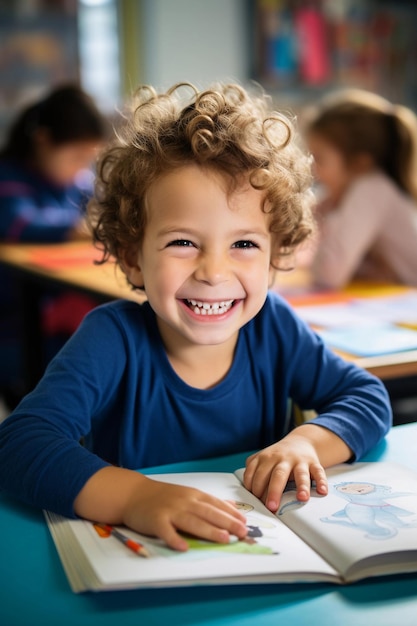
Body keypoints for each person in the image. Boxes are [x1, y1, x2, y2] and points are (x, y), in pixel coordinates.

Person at [0, 82, 391, 551]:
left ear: (273, 259)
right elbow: (20, 444)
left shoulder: (274, 327)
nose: (213, 272)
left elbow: (365, 396)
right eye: (183, 242)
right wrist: (134, 498)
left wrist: (307, 442)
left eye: (243, 244)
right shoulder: (112, 338)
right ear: (131, 256)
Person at [0, 84, 109, 406]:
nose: (81, 167)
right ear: (44, 141)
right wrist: (78, 228)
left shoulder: (77, 183)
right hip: (18, 318)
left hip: (66, 304)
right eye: (76, 156)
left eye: (88, 160)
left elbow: (105, 210)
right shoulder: (9, 176)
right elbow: (18, 225)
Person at [304, 88, 417, 288]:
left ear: (360, 164)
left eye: (319, 159)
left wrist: (333, 217)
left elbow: (327, 276)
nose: (312, 169)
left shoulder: (371, 190)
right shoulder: (365, 189)